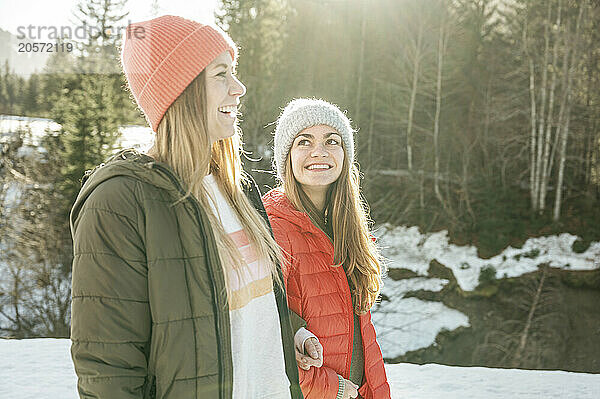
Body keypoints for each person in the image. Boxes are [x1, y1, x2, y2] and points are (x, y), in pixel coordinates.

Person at [69, 15, 308, 399]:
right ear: (180, 89)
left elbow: (231, 306)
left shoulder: (236, 191)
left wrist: (290, 329)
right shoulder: (120, 203)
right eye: (220, 74)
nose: (239, 87)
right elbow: (108, 371)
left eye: (234, 71)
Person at [262, 99, 391, 399]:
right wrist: (332, 388)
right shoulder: (273, 228)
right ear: (287, 157)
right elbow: (266, 331)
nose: (319, 151)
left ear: (345, 155)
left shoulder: (348, 229)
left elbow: (363, 341)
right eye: (304, 141)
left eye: (331, 141)